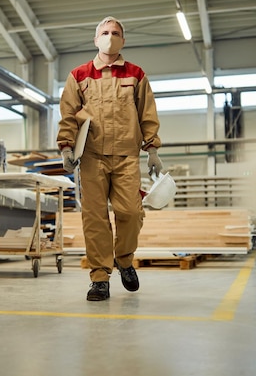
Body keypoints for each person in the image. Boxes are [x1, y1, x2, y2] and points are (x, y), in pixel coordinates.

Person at [57, 16, 163, 301]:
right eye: (105, 32)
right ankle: (100, 278)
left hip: (127, 156)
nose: (110, 36)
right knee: (95, 218)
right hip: (92, 157)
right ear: (95, 39)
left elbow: (147, 114)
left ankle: (124, 260)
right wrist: (67, 147)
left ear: (123, 41)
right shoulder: (79, 75)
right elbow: (68, 114)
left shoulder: (136, 74)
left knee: (130, 212)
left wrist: (152, 149)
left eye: (116, 33)